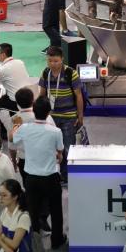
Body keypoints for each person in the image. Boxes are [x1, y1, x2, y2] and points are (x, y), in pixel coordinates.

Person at [10, 96, 67, 249]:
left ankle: (33, 242)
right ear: (49, 112)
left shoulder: (25, 129)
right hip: (50, 177)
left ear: (34, 111)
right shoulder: (55, 131)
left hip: (31, 178)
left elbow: (12, 137)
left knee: (33, 211)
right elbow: (60, 150)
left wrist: (16, 124)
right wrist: (58, 156)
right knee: (56, 210)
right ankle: (57, 240)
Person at [38, 46, 84, 184]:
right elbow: (42, 95)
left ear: (62, 59)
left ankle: (67, 176)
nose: (53, 64)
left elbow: (79, 96)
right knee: (49, 147)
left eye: (56, 61)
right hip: (51, 117)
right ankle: (51, 175)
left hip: (69, 117)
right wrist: (40, 115)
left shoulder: (71, 73)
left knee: (67, 147)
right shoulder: (45, 73)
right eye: (50, 60)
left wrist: (80, 116)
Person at [8, 87, 56, 185]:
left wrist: (14, 162)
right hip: (44, 159)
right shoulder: (45, 115)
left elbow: (11, 145)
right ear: (33, 100)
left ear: (17, 103)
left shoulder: (15, 119)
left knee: (30, 190)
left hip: (25, 161)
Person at [0, 43, 31, 136]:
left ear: (3, 55)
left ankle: (4, 133)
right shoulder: (20, 62)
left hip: (16, 101)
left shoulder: (3, 69)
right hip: (29, 95)